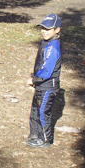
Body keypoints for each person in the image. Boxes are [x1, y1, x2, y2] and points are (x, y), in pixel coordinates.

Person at [26, 14, 62, 148]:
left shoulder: (53, 47)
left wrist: (34, 79)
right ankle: (35, 133)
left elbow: (46, 70)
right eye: (42, 28)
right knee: (35, 109)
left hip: (47, 86)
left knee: (42, 112)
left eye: (48, 29)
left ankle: (45, 139)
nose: (44, 31)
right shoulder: (46, 43)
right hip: (41, 85)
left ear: (57, 30)